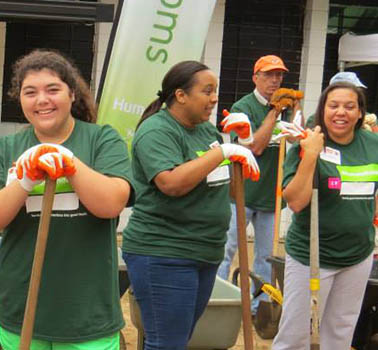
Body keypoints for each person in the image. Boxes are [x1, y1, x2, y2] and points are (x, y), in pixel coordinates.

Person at [0, 49, 133, 349]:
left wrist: (69, 163)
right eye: (30, 92)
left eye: (53, 89)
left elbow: (111, 204)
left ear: (72, 93)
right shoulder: (9, 147)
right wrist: (23, 180)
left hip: (87, 312)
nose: (42, 100)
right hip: (22, 310)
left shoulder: (101, 140)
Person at [121, 61, 260, 350]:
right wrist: (222, 151)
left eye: (215, 91)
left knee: (179, 339)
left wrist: (243, 146)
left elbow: (232, 190)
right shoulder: (156, 131)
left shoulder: (207, 133)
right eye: (207, 91)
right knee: (167, 343)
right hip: (164, 252)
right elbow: (171, 183)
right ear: (180, 95)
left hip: (205, 252)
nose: (214, 99)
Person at [272, 82, 378, 350]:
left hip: (357, 256)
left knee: (340, 333)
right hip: (312, 256)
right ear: (322, 110)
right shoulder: (306, 143)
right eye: (333, 106)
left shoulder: (373, 144)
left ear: (360, 113)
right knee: (295, 336)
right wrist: (311, 155)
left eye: (349, 106)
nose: (340, 112)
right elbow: (295, 202)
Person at [217, 55, 295, 313]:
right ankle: (217, 301)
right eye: (269, 75)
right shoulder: (243, 107)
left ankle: (258, 307)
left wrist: (296, 127)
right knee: (226, 250)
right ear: (255, 78)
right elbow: (255, 147)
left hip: (271, 197)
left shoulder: (289, 108)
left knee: (265, 257)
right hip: (240, 193)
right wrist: (274, 112)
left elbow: (297, 145)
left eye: (279, 75)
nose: (275, 80)